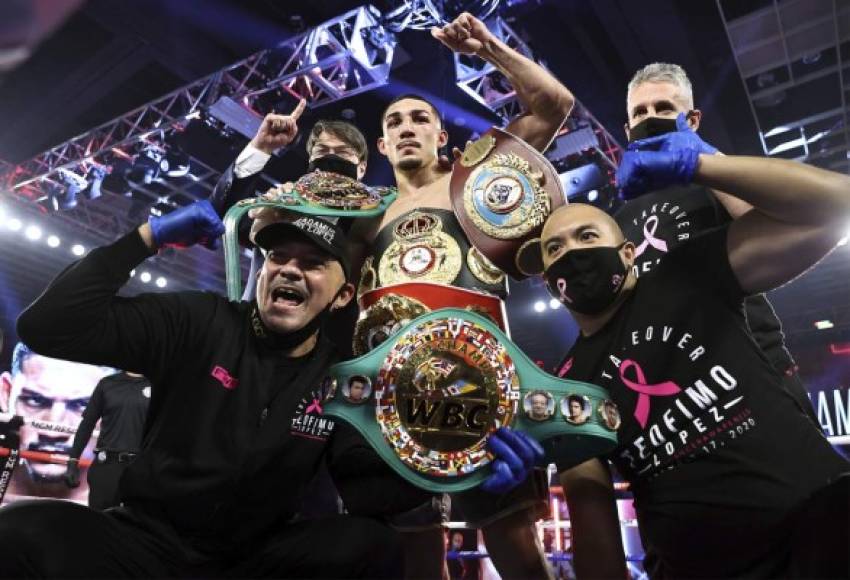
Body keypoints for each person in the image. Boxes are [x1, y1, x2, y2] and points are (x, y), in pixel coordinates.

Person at [0, 199, 539, 577]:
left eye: (311, 263)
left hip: (250, 561)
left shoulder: (342, 379)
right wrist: (147, 238)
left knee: (367, 545)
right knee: (21, 530)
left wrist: (466, 474)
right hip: (144, 544)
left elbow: (370, 493)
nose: (289, 270)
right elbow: (47, 325)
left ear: (343, 295)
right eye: (277, 258)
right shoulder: (198, 320)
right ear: (260, 273)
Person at [535, 126, 850, 577]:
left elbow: (838, 201)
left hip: (822, 534)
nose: (573, 252)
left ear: (628, 253)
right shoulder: (568, 386)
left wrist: (705, 165)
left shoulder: (685, 273)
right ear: (550, 283)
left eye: (587, 236)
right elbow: (593, 527)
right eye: (555, 248)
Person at [343, 12, 574, 579]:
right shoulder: (366, 220)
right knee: (417, 552)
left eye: (418, 117)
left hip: (482, 384)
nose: (405, 126)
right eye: (394, 120)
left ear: (439, 134)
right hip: (395, 395)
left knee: (515, 543)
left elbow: (553, 106)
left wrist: (489, 48)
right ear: (381, 141)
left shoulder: (472, 183)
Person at [602, 62, 819, 428]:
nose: (650, 118)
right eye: (640, 112)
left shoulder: (721, 179)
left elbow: (781, 221)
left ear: (693, 119)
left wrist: (703, 160)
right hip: (680, 391)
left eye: (664, 108)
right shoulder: (617, 219)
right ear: (627, 129)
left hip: (756, 367)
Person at [0, 342, 110, 504]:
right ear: (5, 393)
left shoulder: (133, 504)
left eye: (83, 405)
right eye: (35, 400)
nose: (53, 432)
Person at [64, 370, 151, 510]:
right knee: (99, 523)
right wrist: (73, 460)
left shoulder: (159, 386)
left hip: (142, 468)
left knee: (137, 526)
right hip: (107, 465)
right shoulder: (108, 383)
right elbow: (87, 423)